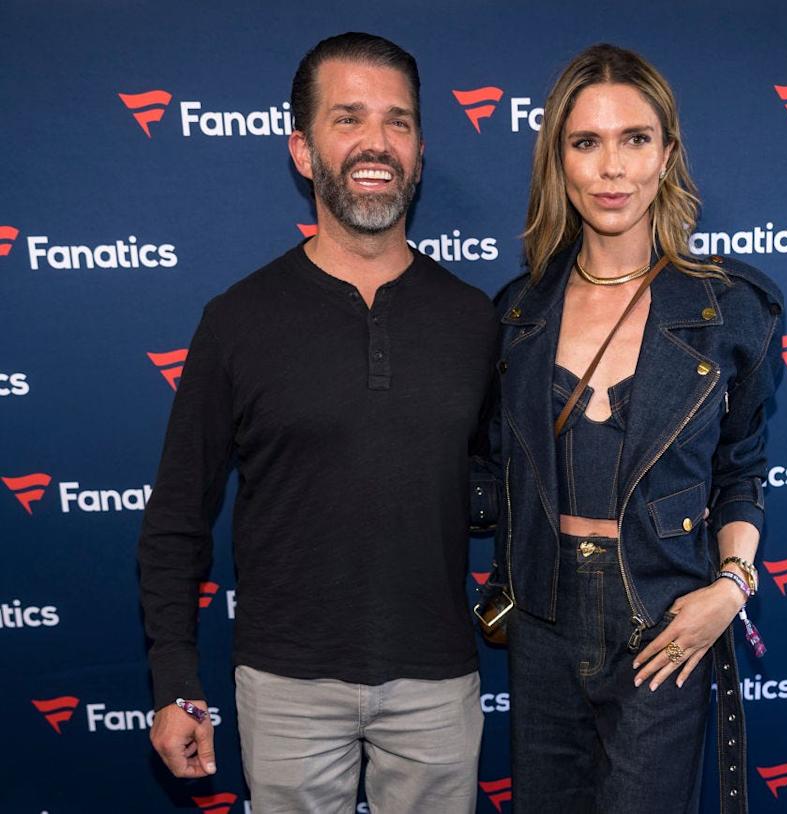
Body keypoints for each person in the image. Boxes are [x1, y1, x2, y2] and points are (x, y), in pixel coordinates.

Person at [138, 32, 498, 813]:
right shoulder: (237, 320)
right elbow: (176, 519)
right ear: (302, 150)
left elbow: (508, 486)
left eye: (398, 122)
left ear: (422, 150)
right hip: (284, 686)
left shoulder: (475, 321)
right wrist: (173, 683)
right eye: (349, 119)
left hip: (437, 680)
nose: (377, 142)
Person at [486, 44, 784, 812]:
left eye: (635, 139)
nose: (612, 168)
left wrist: (731, 587)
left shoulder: (729, 311)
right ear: (559, 161)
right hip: (543, 622)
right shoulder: (516, 316)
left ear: (668, 154)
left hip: (662, 620)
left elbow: (742, 469)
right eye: (587, 142)